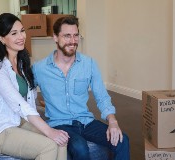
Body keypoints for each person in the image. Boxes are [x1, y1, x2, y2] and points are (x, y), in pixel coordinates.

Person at [32, 15, 130, 160]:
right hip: (60, 124)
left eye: (75, 35)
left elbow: (102, 96)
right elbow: (26, 97)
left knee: (122, 140)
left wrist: (112, 121)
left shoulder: (89, 64)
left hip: (86, 121)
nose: (72, 41)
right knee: (80, 147)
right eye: (67, 36)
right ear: (55, 37)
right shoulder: (39, 69)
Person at [0, 13, 69, 160]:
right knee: (49, 146)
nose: (21, 37)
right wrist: (49, 131)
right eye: (14, 33)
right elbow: (19, 103)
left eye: (22, 31)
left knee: (62, 141)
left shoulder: (21, 63)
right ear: (1, 38)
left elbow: (29, 100)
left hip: (17, 121)